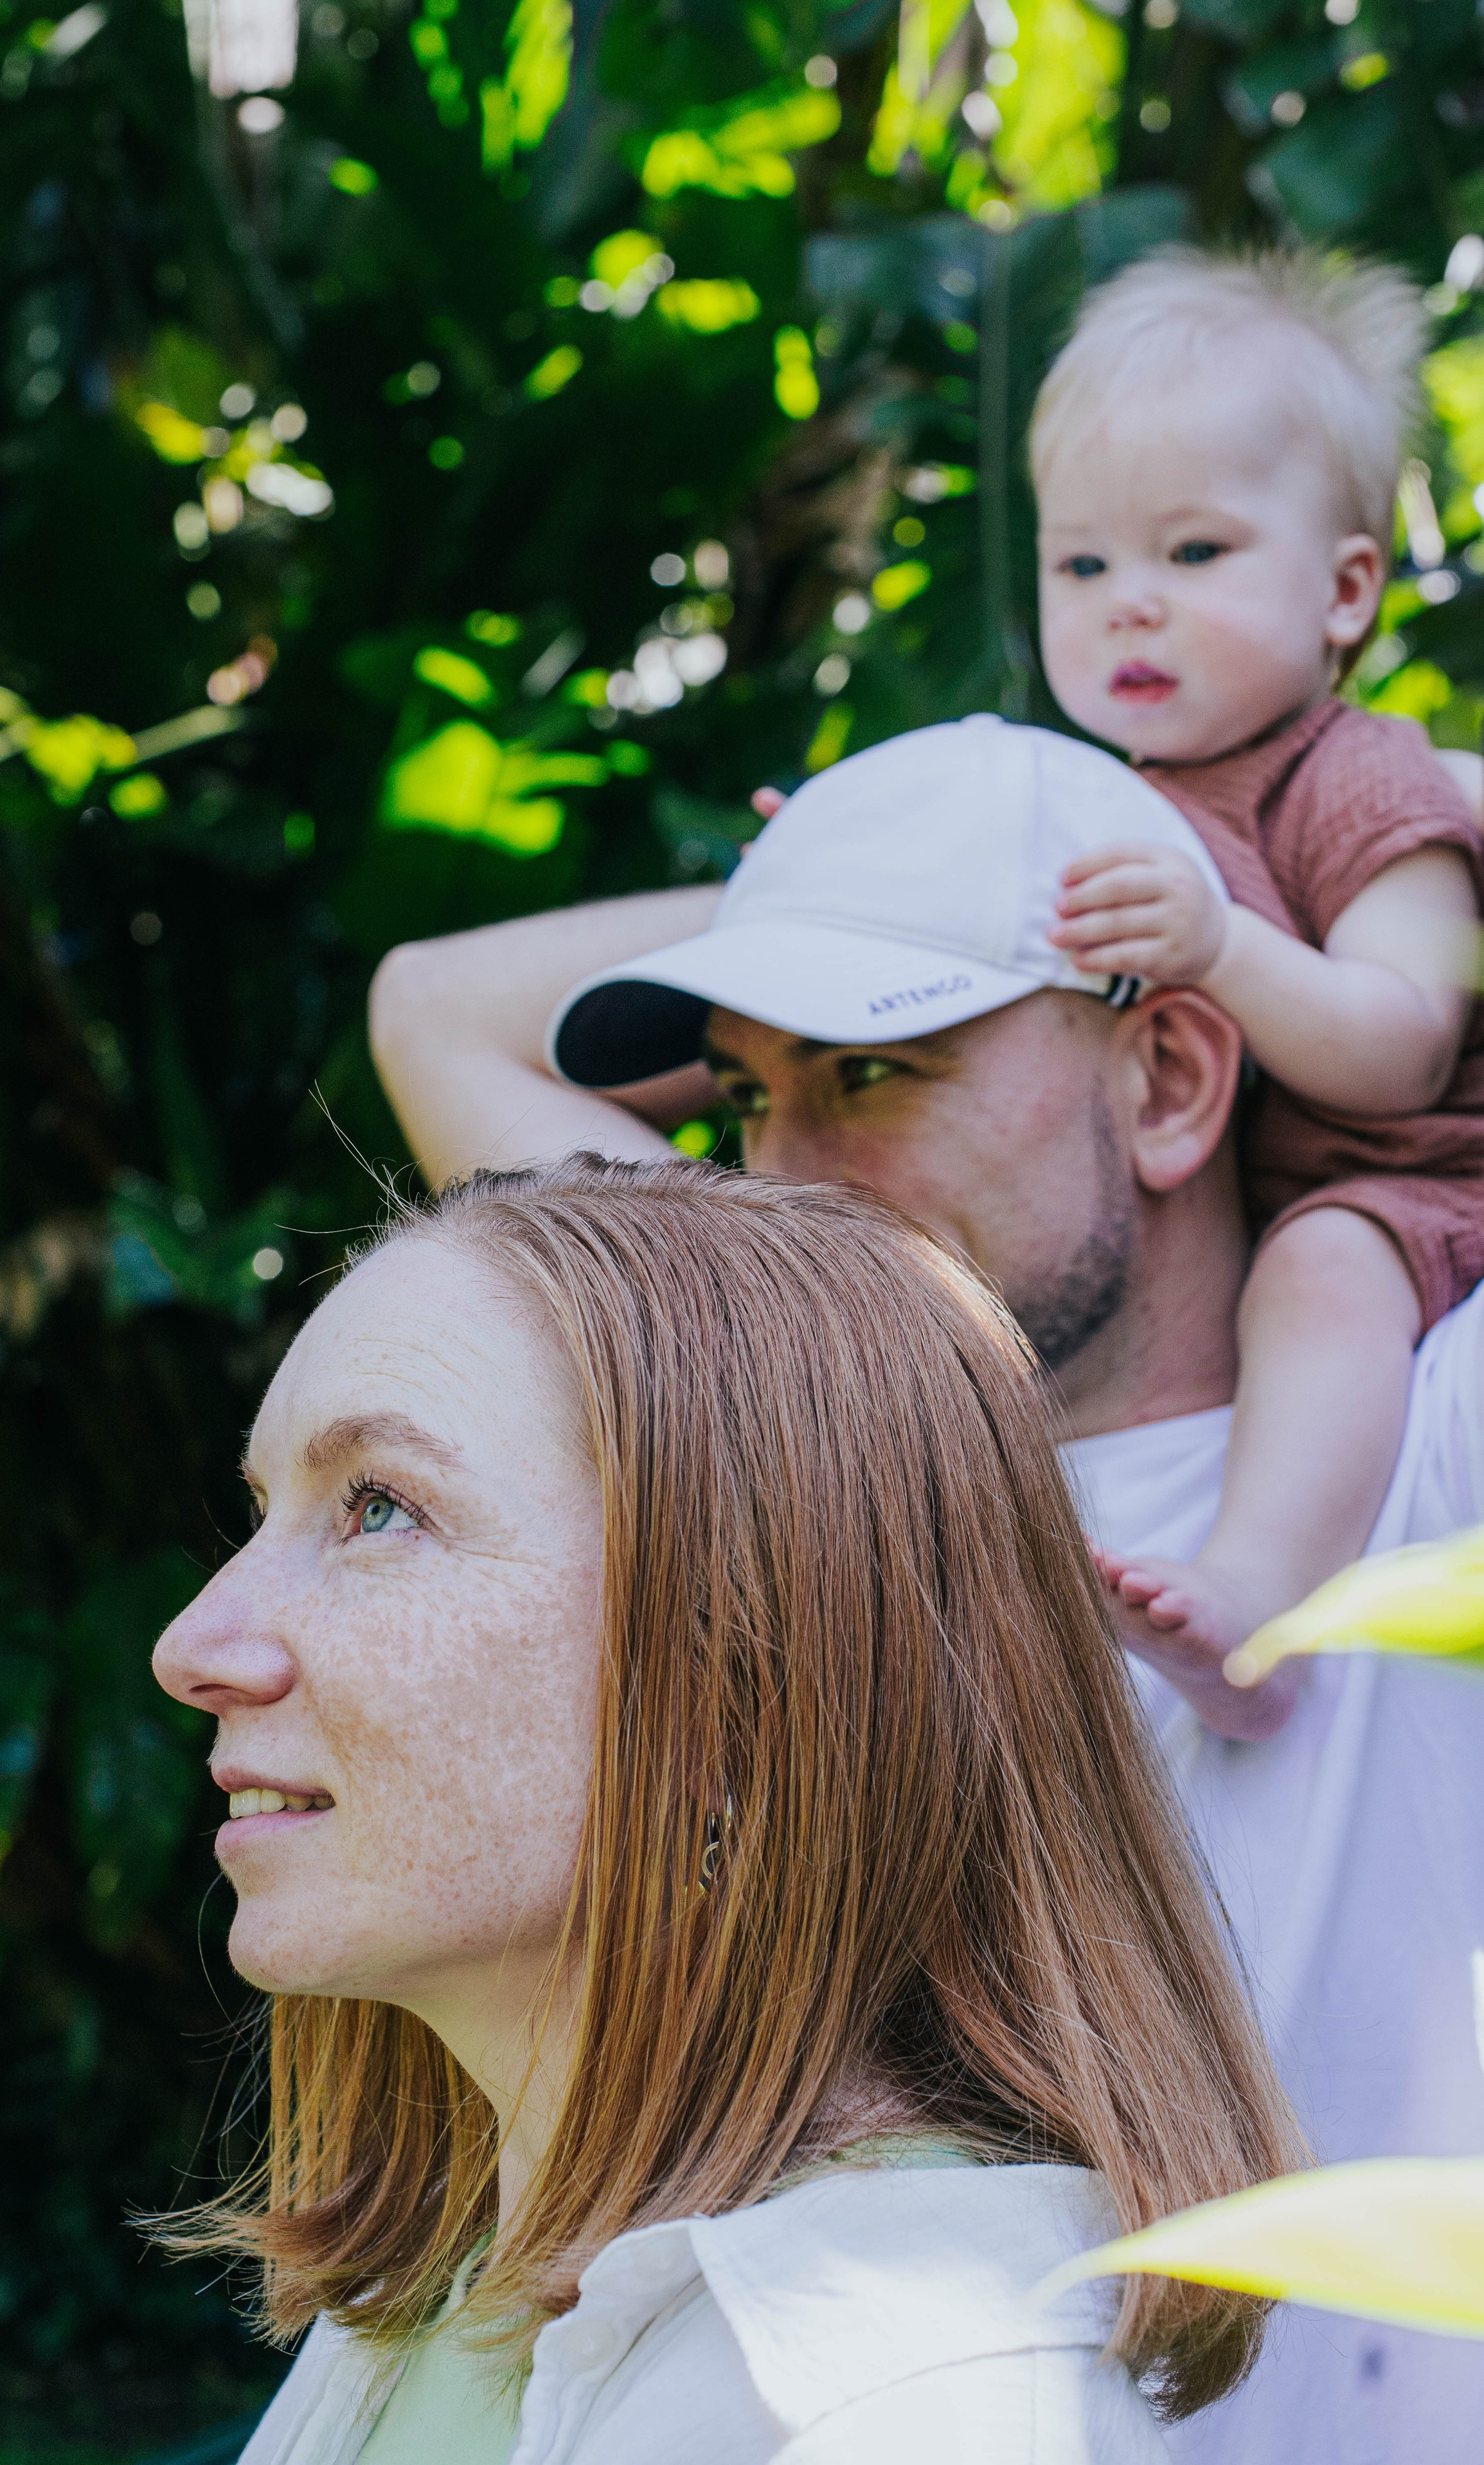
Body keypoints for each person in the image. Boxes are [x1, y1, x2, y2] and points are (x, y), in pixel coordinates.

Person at [369, 716, 1484, 2465]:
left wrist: (1308, 870)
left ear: (1170, 1080)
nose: (775, 1176)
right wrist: (842, 871)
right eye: (744, 1092)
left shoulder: (1426, 1434)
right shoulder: (775, 1478)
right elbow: (431, 1005)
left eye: (875, 1066)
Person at [148, 1154, 1297, 2464]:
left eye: (379, 1509)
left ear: (743, 1692)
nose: (195, 1645)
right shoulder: (455, 2292)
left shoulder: (905, 2411)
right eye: (263, 1513)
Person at [1031, 246, 1484, 1677]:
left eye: (1192, 554)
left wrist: (1223, 944)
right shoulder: (1091, 791)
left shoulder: (1358, 780)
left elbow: (1403, 1040)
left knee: (1319, 1266)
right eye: (1082, 563)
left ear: (1345, 591)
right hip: (1219, 1225)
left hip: (1409, 1184)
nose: (1127, 602)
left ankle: (1257, 1606)